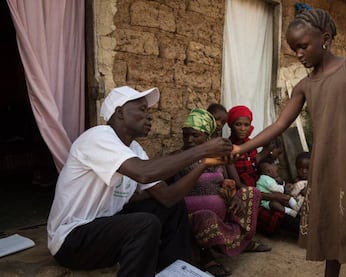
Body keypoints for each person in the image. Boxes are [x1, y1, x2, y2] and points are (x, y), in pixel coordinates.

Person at [231, 9, 346, 277]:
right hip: (328, 164)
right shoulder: (304, 86)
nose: (299, 54)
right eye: (294, 49)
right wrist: (239, 149)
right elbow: (279, 125)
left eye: (303, 46)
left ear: (324, 38)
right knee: (333, 228)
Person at [47, 86, 233, 277]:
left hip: (106, 226)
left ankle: (175, 272)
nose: (149, 116)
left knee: (174, 207)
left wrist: (203, 163)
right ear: (120, 113)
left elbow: (167, 196)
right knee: (145, 224)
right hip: (72, 240)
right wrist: (202, 150)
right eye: (142, 110)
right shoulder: (98, 137)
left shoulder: (134, 149)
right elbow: (144, 173)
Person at [171, 108, 269, 276]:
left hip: (223, 208)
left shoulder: (218, 157)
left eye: (195, 135)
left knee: (250, 193)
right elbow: (171, 190)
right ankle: (207, 256)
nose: (189, 139)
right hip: (196, 216)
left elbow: (230, 182)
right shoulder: (177, 157)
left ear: (207, 136)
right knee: (205, 217)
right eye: (186, 135)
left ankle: (241, 242)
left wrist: (233, 196)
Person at [228, 105, 300, 236]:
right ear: (231, 125)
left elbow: (259, 169)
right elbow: (238, 185)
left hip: (262, 191)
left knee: (290, 204)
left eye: (246, 124)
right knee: (276, 216)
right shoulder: (229, 150)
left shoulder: (251, 145)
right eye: (238, 124)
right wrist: (270, 196)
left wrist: (278, 188)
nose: (243, 129)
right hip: (246, 196)